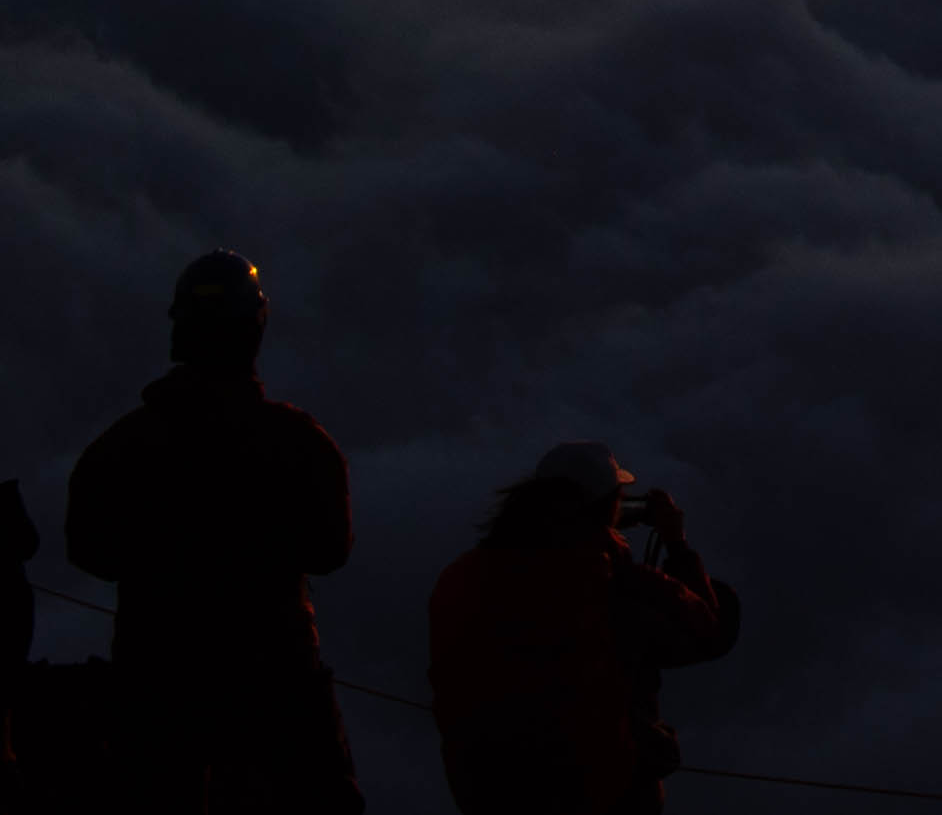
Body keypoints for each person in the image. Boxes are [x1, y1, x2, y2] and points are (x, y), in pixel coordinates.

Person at [61, 253, 360, 815]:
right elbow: (330, 549)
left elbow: (89, 550)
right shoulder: (299, 444)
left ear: (181, 331)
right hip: (276, 688)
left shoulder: (120, 448)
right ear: (255, 329)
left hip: (156, 686)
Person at [422, 452, 733, 815]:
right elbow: (707, 630)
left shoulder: (461, 577)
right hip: (594, 793)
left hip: (485, 791)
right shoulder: (608, 584)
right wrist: (675, 542)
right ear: (606, 508)